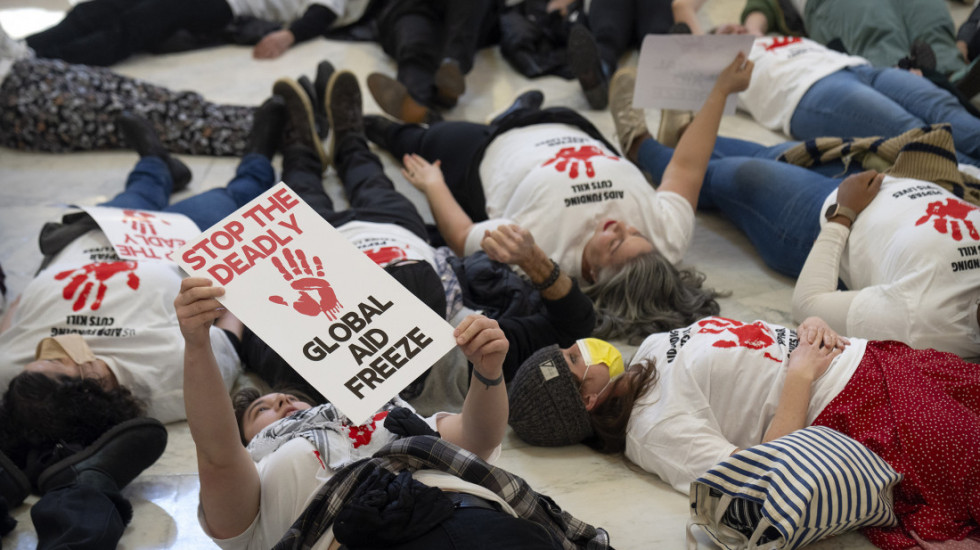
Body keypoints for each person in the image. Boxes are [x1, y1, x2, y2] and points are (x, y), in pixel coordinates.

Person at [240, 71, 597, 412]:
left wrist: (271, 294)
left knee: (300, 184)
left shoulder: (316, 381)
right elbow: (575, 326)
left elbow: (257, 343)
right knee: (369, 177)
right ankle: (349, 137)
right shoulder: (466, 356)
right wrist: (536, 262)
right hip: (396, 230)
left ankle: (303, 141)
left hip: (309, 250)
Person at [176, 276, 612, 549]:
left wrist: (488, 372)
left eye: (284, 398)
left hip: (477, 520)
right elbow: (216, 451)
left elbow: (479, 439)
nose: (278, 401)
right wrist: (198, 344)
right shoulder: (257, 471)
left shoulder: (388, 415)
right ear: (251, 441)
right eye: (260, 411)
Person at [361, 54, 754, 343]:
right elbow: (687, 168)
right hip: (569, 124)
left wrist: (433, 185)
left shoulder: (545, 258)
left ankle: (376, 125)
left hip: (486, 151)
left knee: (426, 141)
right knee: (541, 110)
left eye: (614, 242)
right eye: (634, 231)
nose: (620, 224)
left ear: (594, 277)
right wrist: (720, 91)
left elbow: (463, 237)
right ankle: (518, 109)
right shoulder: (666, 238)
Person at [507, 315, 980, 549]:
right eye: (573, 358)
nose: (579, 345)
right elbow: (761, 481)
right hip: (859, 408)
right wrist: (799, 376)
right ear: (587, 401)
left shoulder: (650, 348)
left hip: (874, 358)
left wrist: (807, 328)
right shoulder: (653, 430)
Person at [608, 67, 980, 358]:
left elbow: (807, 306)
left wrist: (843, 215)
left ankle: (641, 147)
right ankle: (689, 134)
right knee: (773, 152)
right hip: (884, 184)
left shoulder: (925, 319)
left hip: (822, 220)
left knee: (738, 174)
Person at [0, 24, 262, 156]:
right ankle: (271, 135)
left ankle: (268, 117)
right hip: (12, 103)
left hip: (28, 68)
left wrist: (27, 60)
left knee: (159, 97)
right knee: (146, 118)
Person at [735, 35, 980, 166]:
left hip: (862, 68)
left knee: (947, 110)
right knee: (913, 131)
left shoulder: (770, 37)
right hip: (811, 90)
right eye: (721, 32)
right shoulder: (720, 64)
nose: (731, 30)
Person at [22, 0, 370, 66]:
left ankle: (43, 61)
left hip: (229, 8)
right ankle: (23, 46)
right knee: (97, 7)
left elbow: (321, 14)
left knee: (141, 19)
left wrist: (287, 36)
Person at [364, 0, 502, 124]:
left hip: (461, 13)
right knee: (414, 42)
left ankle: (451, 68)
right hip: (411, 7)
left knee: (451, 36)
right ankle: (420, 106)